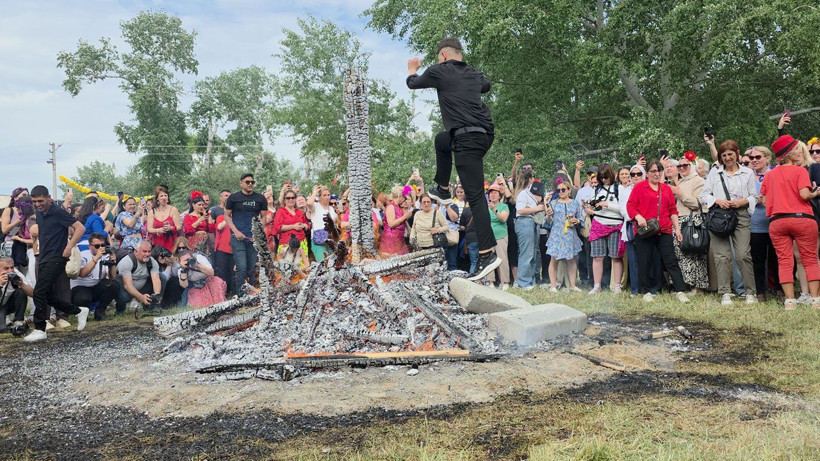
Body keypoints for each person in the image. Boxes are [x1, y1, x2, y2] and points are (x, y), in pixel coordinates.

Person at [406, 37, 500, 281]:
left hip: (467, 139)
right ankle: (444, 188)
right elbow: (486, 85)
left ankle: (487, 253)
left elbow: (413, 83)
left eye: (439, 58)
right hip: (483, 135)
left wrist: (412, 69)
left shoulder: (440, 70)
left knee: (476, 197)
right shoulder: (474, 72)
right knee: (442, 140)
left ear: (444, 56)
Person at [761, 135, 820, 309]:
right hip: (802, 219)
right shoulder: (800, 171)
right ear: (788, 154)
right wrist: (815, 193)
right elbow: (804, 195)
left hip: (778, 221)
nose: (800, 150)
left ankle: (789, 301)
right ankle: (816, 300)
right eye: (796, 148)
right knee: (810, 259)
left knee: (784, 261)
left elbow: (763, 200)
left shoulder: (770, 175)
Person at [24, 185, 89, 343]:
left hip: (57, 257)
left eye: (40, 200)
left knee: (39, 291)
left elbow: (80, 228)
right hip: (43, 256)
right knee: (44, 293)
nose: (38, 204)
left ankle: (40, 329)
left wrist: (69, 246)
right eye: (34, 201)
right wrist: (35, 249)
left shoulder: (58, 212)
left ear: (48, 198)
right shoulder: (39, 214)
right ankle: (78, 311)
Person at [700, 140, 758, 305]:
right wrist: (717, 200)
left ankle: (750, 292)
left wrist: (743, 202)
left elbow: (754, 196)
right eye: (724, 155)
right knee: (722, 256)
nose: (727, 158)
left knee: (742, 254)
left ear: (737, 154)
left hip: (740, 215)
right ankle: (725, 292)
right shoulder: (715, 173)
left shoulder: (747, 173)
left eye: (730, 154)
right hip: (719, 216)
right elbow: (704, 195)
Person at [626, 160, 690, 303]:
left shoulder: (666, 189)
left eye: (658, 170)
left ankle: (680, 290)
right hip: (645, 230)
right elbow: (630, 206)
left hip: (664, 229)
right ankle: (646, 291)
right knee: (644, 260)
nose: (656, 173)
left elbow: (673, 210)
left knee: (671, 260)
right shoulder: (639, 187)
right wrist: (638, 216)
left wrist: (677, 229)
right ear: (647, 173)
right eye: (653, 171)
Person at [670, 154, 709, 292]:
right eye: (679, 166)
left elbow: (698, 203)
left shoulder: (699, 181)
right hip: (678, 221)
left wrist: (680, 194)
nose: (682, 168)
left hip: (694, 221)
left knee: (695, 254)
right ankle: (684, 285)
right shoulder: (679, 182)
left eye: (685, 165)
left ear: (692, 165)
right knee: (681, 255)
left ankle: (698, 286)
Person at [225, 173, 267, 297]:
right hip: (237, 237)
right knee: (241, 267)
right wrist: (235, 231)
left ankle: (252, 294)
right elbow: (226, 215)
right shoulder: (233, 198)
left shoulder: (260, 198)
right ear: (241, 183)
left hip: (253, 238)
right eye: (247, 182)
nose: (250, 184)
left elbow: (263, 217)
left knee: (251, 268)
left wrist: (258, 233)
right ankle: (241, 295)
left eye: (252, 182)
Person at [584, 164, 624, 294]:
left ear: (611, 175)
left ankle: (617, 285)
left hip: (615, 224)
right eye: (602, 178)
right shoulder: (597, 189)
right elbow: (596, 208)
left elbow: (623, 208)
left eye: (606, 177)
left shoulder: (619, 188)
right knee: (597, 256)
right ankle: (597, 285)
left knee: (616, 256)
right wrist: (591, 207)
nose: (604, 180)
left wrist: (607, 204)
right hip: (598, 223)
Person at [748, 146, 777, 301]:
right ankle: (760, 292)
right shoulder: (746, 175)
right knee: (757, 260)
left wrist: (767, 199)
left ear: (767, 158)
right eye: (752, 158)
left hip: (774, 223)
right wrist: (753, 200)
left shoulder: (774, 174)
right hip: (755, 224)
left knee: (777, 259)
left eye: (758, 157)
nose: (754, 161)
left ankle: (779, 290)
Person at [545, 179, 584, 292]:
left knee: (572, 260)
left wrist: (577, 221)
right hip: (557, 234)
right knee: (554, 259)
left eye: (563, 189)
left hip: (570, 234)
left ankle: (572, 285)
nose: (561, 192)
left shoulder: (575, 203)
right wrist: (548, 216)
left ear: (569, 190)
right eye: (559, 190)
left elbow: (580, 218)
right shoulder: (553, 203)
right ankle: (553, 285)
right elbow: (548, 221)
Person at [70, 232, 120, 320]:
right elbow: (82, 274)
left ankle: (100, 312)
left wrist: (112, 263)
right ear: (90, 246)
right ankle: (82, 314)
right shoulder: (82, 255)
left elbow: (112, 277)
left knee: (114, 285)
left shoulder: (105, 256)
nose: (100, 248)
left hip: (95, 286)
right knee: (84, 298)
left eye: (102, 245)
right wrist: (96, 258)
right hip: (80, 287)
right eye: (97, 246)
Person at [513, 170, 545, 289]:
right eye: (533, 177)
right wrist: (537, 208)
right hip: (524, 222)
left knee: (532, 253)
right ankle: (523, 282)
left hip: (532, 222)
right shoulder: (522, 193)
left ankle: (531, 280)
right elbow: (520, 210)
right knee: (526, 253)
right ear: (530, 179)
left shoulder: (528, 193)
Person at [115, 240, 164, 314]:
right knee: (124, 297)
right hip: (126, 288)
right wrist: (141, 297)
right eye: (144, 251)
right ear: (136, 252)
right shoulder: (126, 262)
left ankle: (153, 306)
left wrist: (156, 296)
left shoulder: (152, 261)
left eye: (149, 251)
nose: (147, 254)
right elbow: (127, 285)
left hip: (142, 287)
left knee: (162, 277)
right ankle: (120, 309)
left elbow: (156, 279)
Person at [619, 165, 645, 295]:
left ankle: (648, 287)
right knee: (633, 260)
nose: (635, 176)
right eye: (632, 174)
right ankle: (635, 289)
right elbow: (623, 209)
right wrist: (636, 217)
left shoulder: (649, 188)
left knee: (646, 257)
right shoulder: (625, 191)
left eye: (638, 174)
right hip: (631, 225)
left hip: (647, 226)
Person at [486, 184, 511, 290]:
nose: (493, 194)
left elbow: (503, 219)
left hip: (501, 235)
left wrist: (494, 209)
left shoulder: (504, 206)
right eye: (491, 192)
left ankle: (505, 282)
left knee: (502, 259)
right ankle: (490, 282)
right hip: (488, 236)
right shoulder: (485, 206)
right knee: (489, 259)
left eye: (495, 192)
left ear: (499, 195)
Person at [0, 256, 34, 334]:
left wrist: (22, 284)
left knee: (20, 291)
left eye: (12, 267)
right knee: (2, 329)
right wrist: (0, 284)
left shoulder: (15, 273)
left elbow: (32, 294)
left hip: (6, 305)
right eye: (6, 268)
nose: (10, 271)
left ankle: (18, 321)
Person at [307, 185, 338, 262]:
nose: (327, 197)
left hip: (330, 240)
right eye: (324, 195)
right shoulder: (316, 206)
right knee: (323, 264)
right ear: (320, 197)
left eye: (328, 195)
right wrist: (315, 192)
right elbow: (309, 203)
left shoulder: (331, 209)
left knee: (333, 264)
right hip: (318, 241)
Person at [380, 185, 412, 257]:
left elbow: (408, 190)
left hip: (399, 239)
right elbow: (391, 224)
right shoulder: (391, 207)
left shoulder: (398, 207)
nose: (404, 200)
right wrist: (404, 217)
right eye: (404, 197)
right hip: (391, 240)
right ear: (399, 196)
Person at [147, 185, 181, 252]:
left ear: (168, 197)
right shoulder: (152, 212)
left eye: (165, 195)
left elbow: (179, 226)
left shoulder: (173, 209)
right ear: (157, 198)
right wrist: (158, 230)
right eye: (161, 196)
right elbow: (149, 229)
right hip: (158, 242)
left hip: (171, 242)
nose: (164, 198)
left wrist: (171, 228)